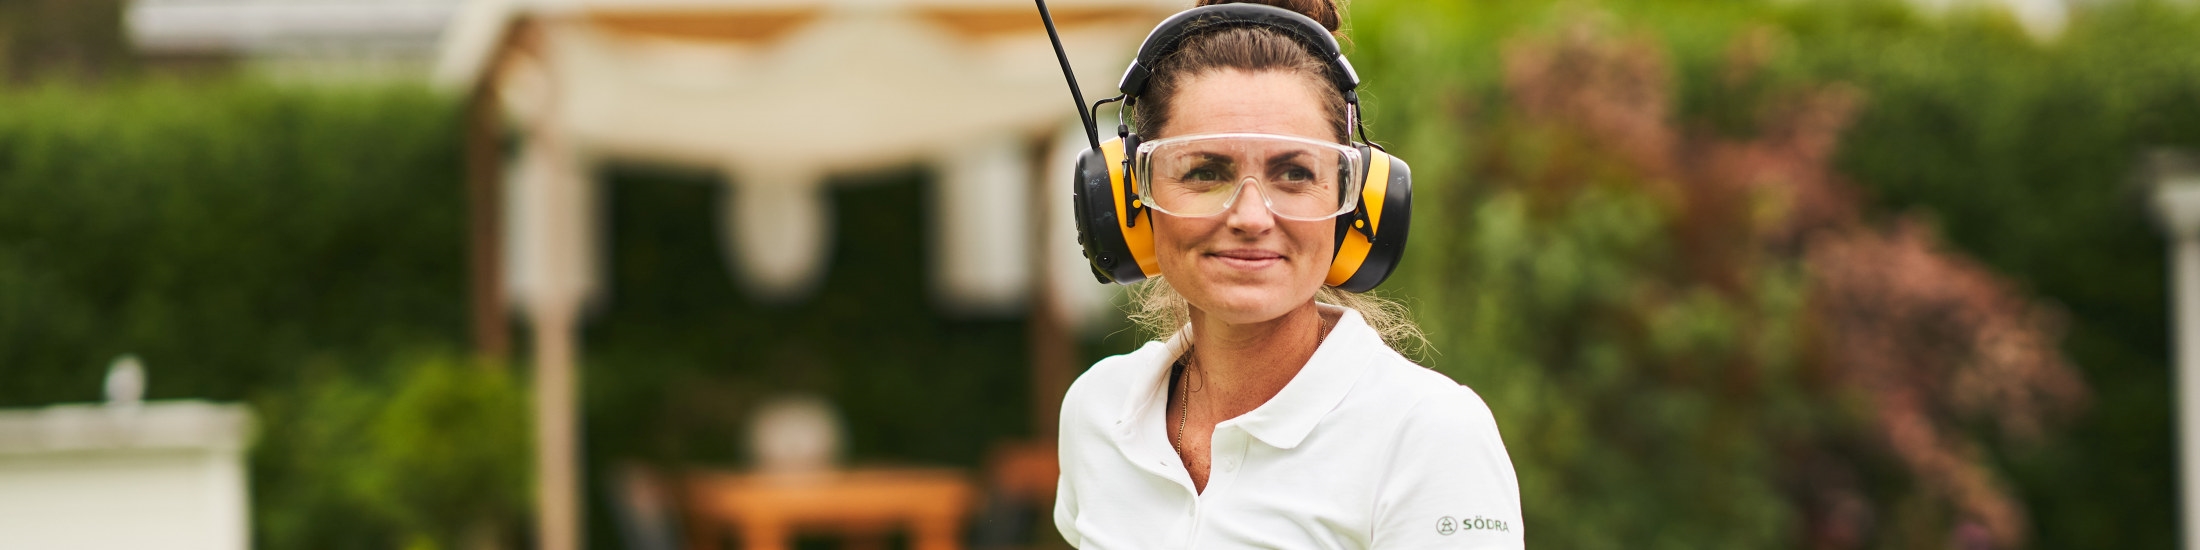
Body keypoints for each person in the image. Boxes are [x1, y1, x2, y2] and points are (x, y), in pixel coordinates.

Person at [1051, 0, 1525, 548]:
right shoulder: (1097, 410)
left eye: (1295, 173)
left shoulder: (1429, 435)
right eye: (1204, 172)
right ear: (1130, 198)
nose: (1251, 217)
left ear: (1357, 203)